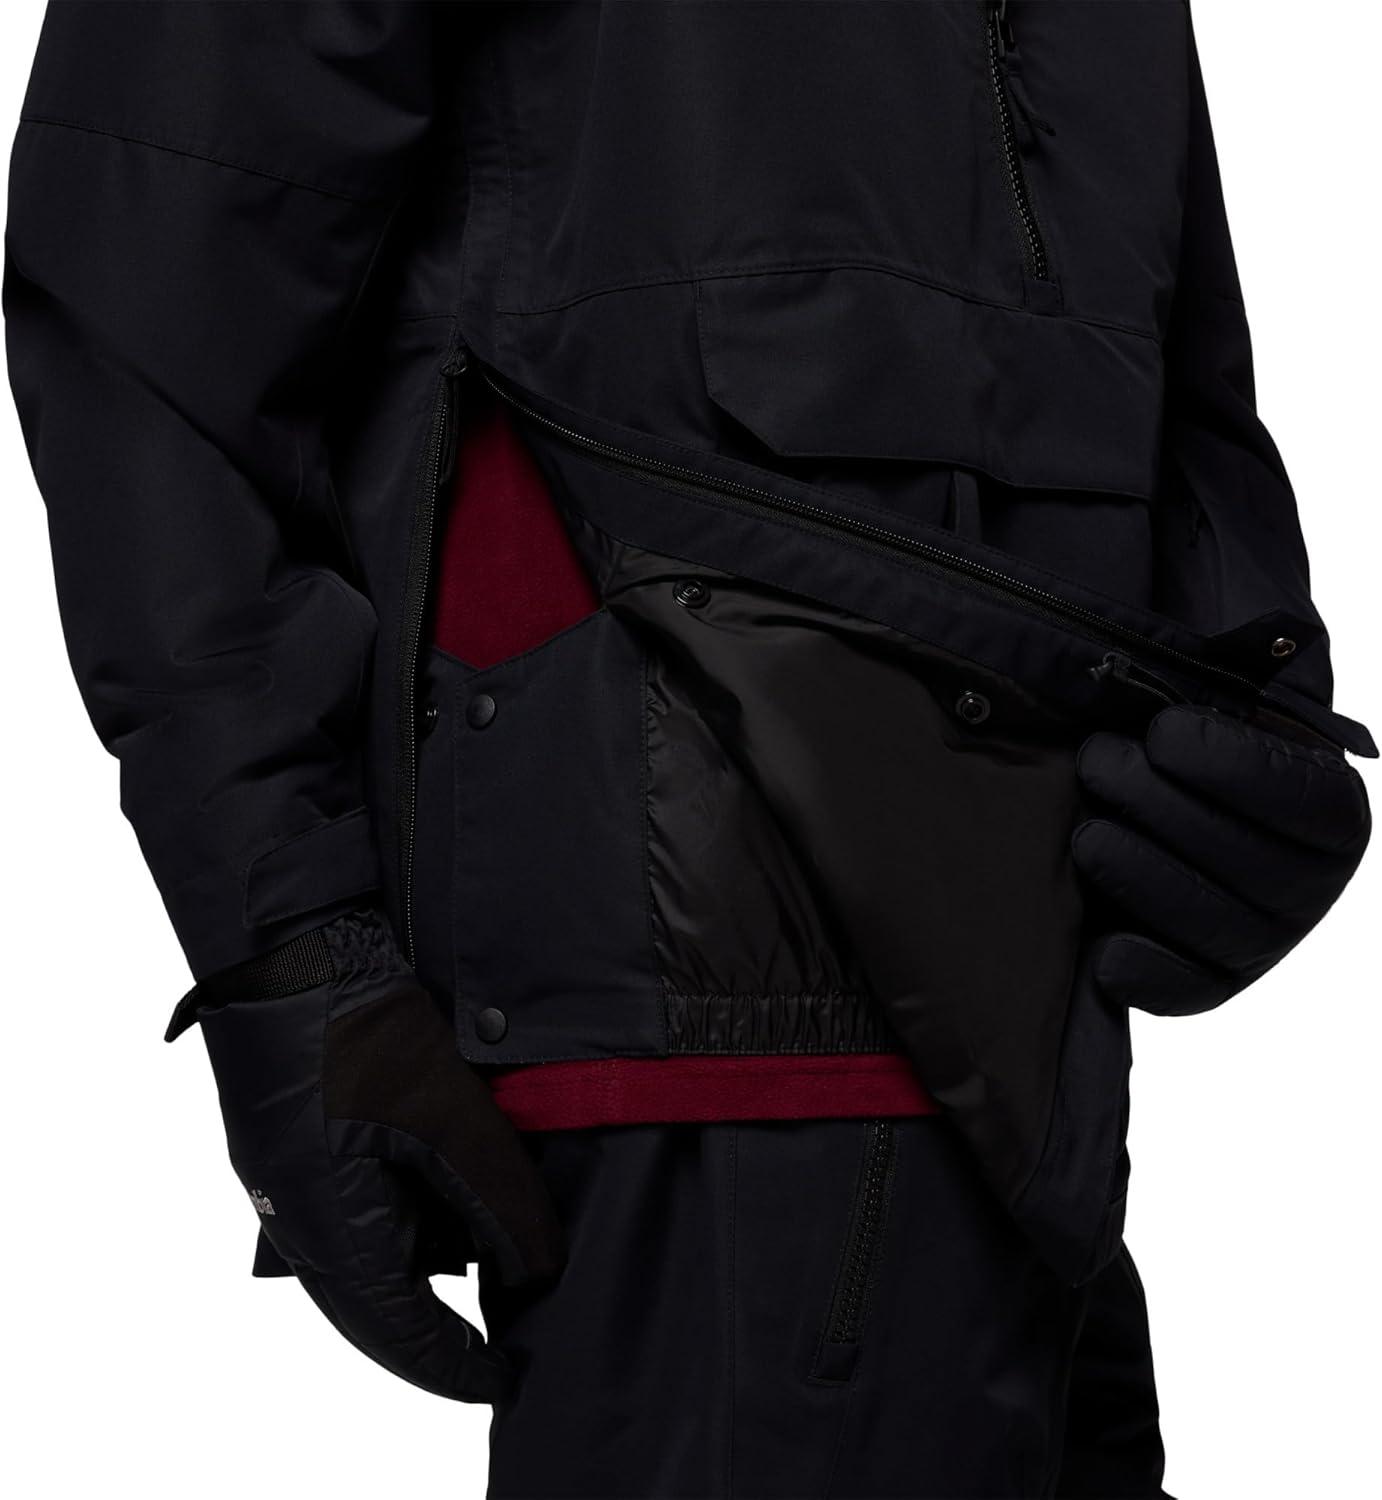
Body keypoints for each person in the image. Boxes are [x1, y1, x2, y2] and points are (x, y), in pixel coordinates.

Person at [6, 4, 1371, 1497]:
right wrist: (290, 937)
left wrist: (1244, 681)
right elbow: (156, 276)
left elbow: (1134, 291)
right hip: (684, 998)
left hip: (1023, 1042)